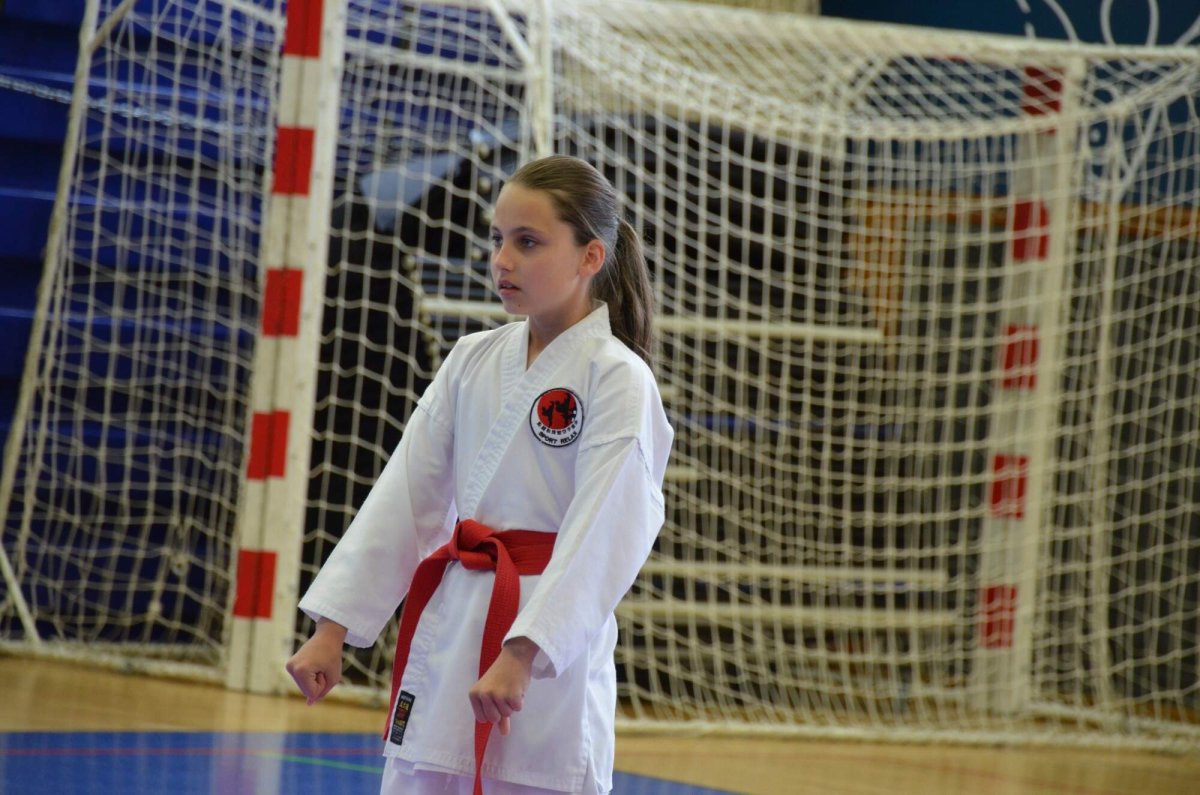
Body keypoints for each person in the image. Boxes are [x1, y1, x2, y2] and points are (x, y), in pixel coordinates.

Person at [286, 154, 674, 795]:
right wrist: (333, 629)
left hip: (544, 663)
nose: (501, 260)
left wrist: (524, 652)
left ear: (590, 257)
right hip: (451, 631)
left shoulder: (617, 378)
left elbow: (607, 532)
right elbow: (405, 496)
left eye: (528, 242)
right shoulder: (472, 359)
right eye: (497, 240)